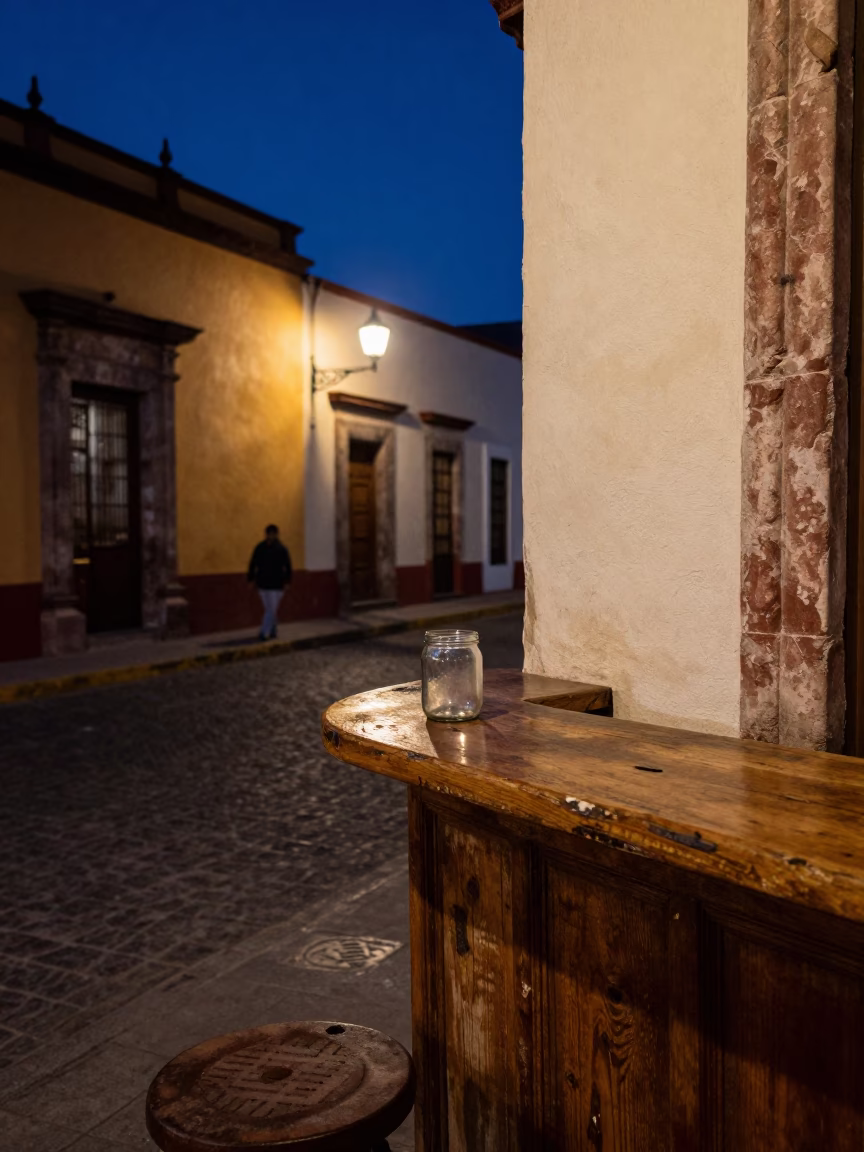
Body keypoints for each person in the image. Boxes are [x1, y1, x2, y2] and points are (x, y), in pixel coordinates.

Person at [247, 524, 292, 640]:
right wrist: (251, 579)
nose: (271, 536)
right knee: (270, 608)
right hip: (262, 583)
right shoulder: (260, 548)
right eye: (269, 533)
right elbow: (253, 563)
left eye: (273, 534)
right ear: (266, 534)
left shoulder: (282, 549)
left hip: (277, 584)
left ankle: (264, 632)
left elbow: (288, 566)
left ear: (276, 535)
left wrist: (287, 581)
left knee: (271, 609)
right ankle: (272, 629)